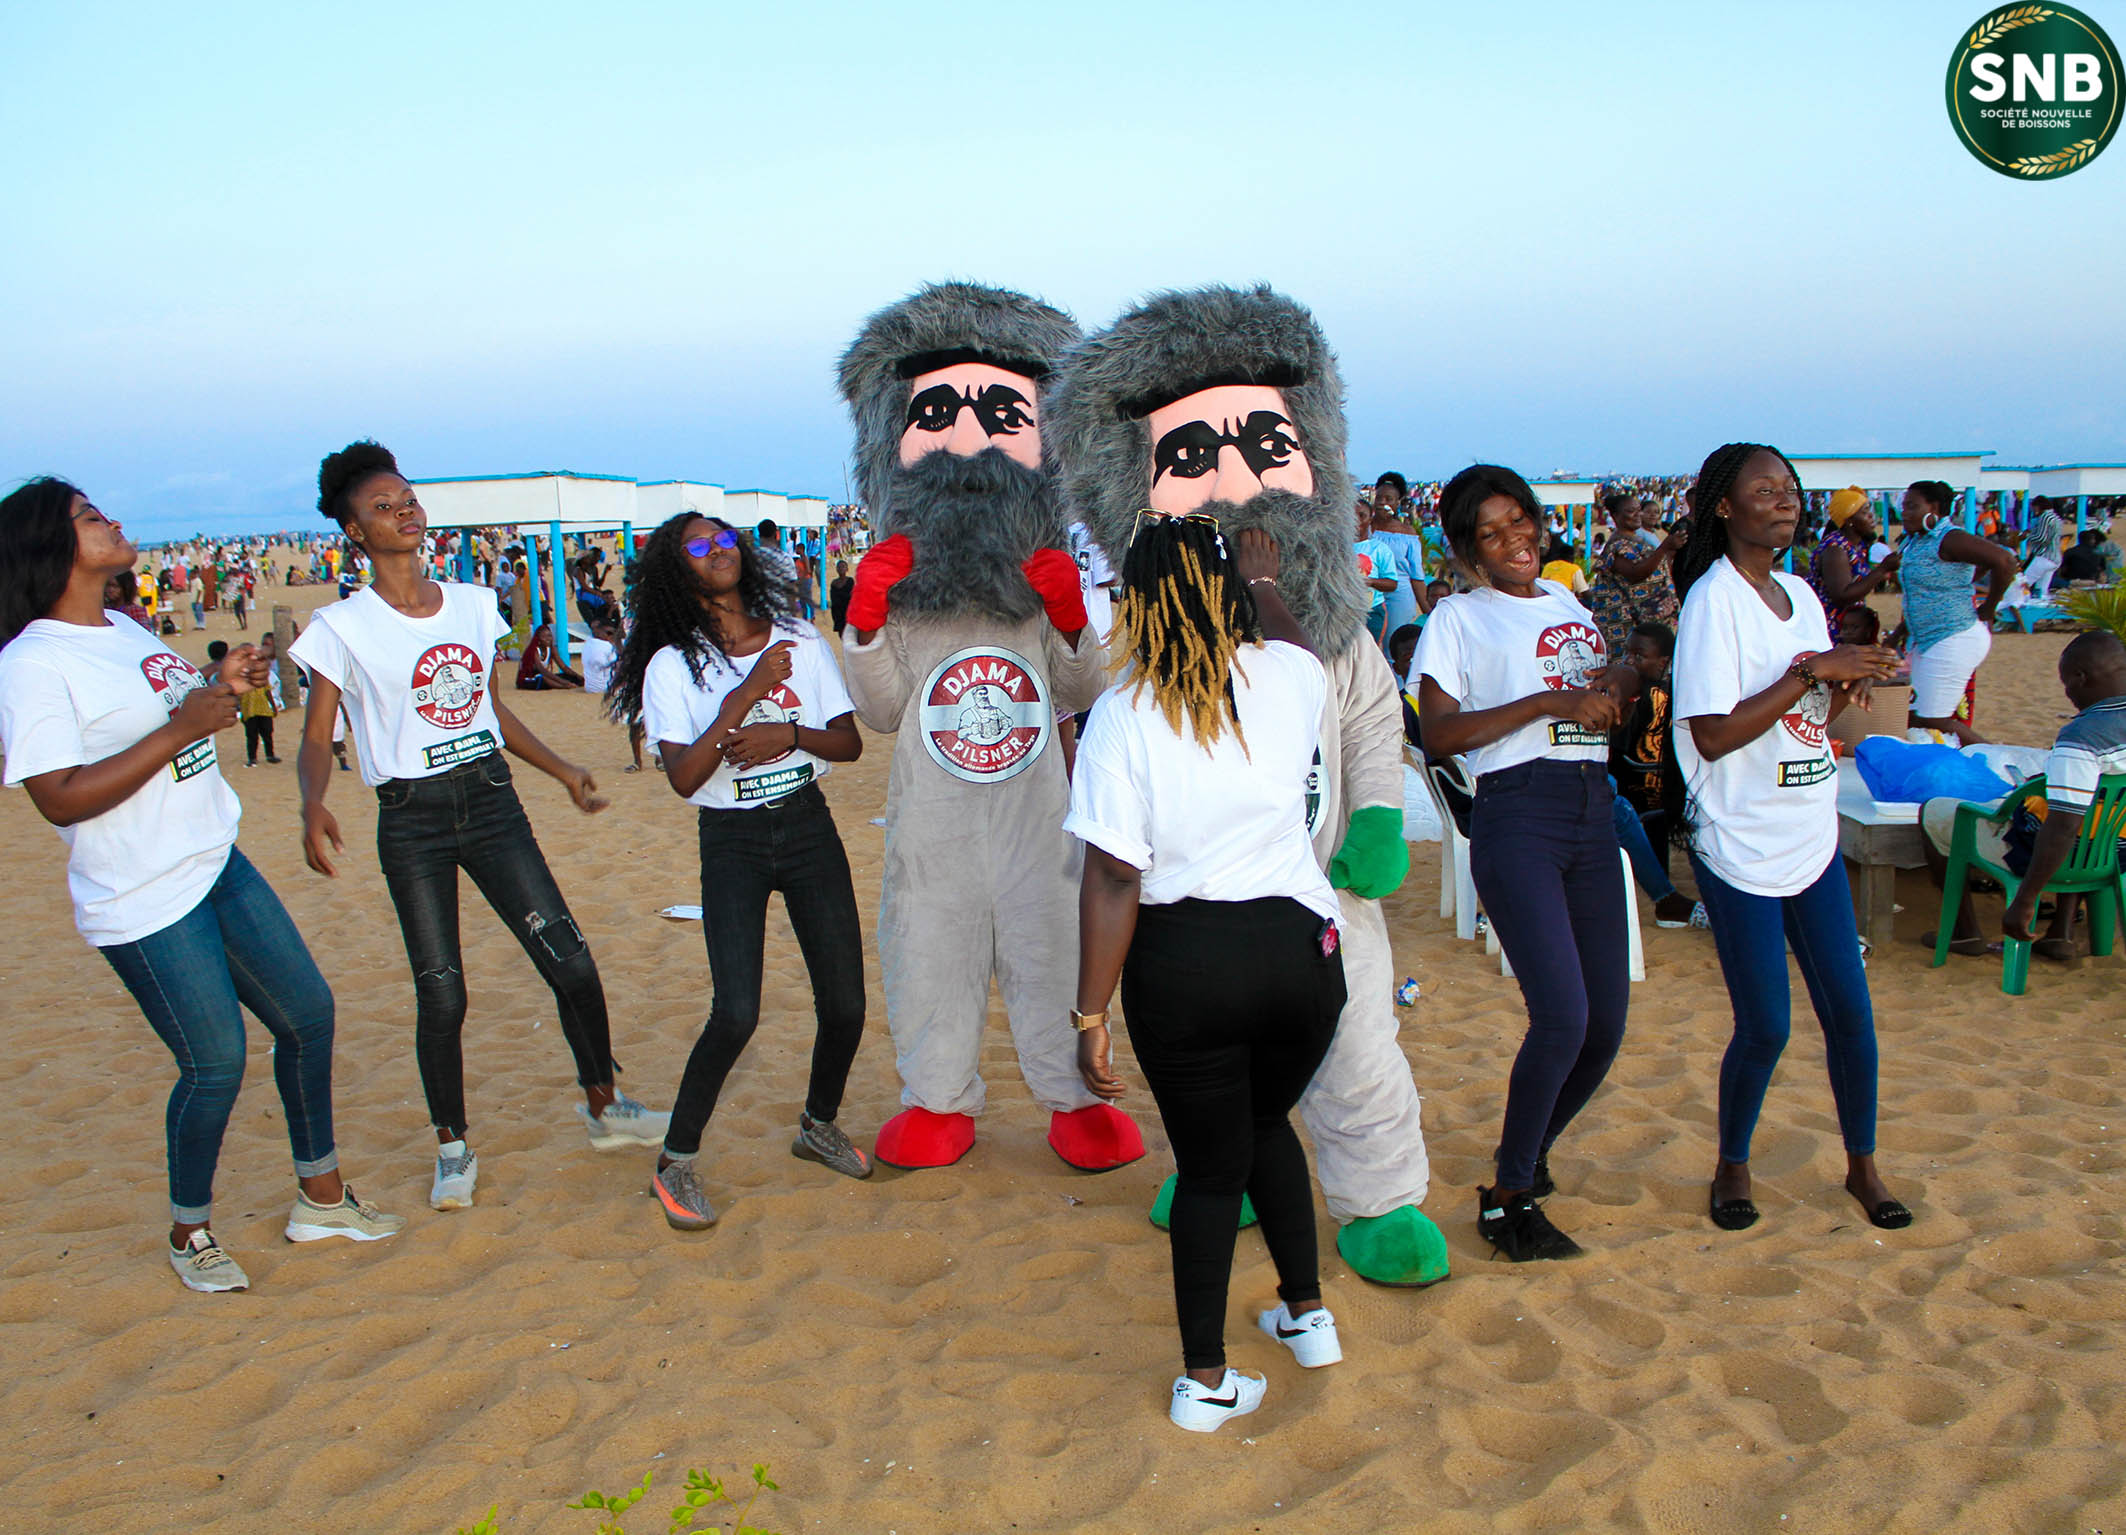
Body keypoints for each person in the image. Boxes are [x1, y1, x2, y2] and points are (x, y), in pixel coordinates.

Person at [0, 478, 400, 1293]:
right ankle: (191, 1230)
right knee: (215, 1062)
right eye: (89, 516)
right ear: (52, 547)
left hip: (214, 857)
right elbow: (59, 797)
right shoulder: (34, 662)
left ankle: (322, 1196)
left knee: (308, 1015)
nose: (112, 518)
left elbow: (164, 717)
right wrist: (185, 725)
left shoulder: (121, 625)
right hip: (141, 892)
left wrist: (220, 685)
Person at [292, 440, 668, 1212]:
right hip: (412, 819)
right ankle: (452, 1146)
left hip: (492, 800)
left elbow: (491, 711)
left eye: (407, 499)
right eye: (382, 507)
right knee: (443, 992)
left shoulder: (469, 604)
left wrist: (562, 769)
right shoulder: (340, 627)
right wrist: (312, 800)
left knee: (570, 960)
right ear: (354, 531)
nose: (404, 512)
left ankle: (605, 1104)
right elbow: (316, 734)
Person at [835, 280, 1141, 1173]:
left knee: (1052, 946)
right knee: (929, 948)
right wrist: (865, 622)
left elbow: (1084, 688)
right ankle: (937, 1098)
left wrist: (1071, 618)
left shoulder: (1042, 583)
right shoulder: (905, 594)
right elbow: (882, 711)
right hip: (931, 821)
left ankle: (1075, 1101)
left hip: (1038, 814)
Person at [1068, 517, 1346, 1433]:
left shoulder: (1124, 711)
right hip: (1301, 952)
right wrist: (1263, 583)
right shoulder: (1288, 674)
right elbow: (1300, 649)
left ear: (1135, 604)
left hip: (1187, 963)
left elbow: (1116, 874)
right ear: (1231, 592)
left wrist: (1091, 1014)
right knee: (1265, 1123)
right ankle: (1308, 1316)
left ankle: (1206, 1379)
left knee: (1211, 1169)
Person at [1667, 441, 1909, 1233]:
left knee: (1851, 1012)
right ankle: (1733, 1162)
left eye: (1791, 488)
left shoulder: (1801, 593)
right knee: (1767, 1022)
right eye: (1765, 488)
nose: (1785, 499)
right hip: (1739, 838)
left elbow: (1803, 720)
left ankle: (1863, 1165)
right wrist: (1812, 672)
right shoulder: (1714, 601)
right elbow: (1712, 735)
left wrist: (1845, 684)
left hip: (1809, 830)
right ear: (1723, 506)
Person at [606, 514, 872, 1230]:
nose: (716, 548)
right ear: (676, 570)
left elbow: (848, 744)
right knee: (736, 1012)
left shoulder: (800, 639)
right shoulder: (672, 666)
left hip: (808, 825)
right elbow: (685, 777)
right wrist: (749, 692)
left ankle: (817, 1123)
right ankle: (675, 1161)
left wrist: (788, 733)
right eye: (697, 545)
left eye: (723, 537)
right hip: (732, 840)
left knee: (846, 1004)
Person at [1415, 463, 1630, 1262]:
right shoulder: (1458, 618)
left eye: (1519, 520)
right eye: (1491, 532)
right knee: (1563, 1016)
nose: (1514, 539)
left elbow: (1598, 685)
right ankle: (1508, 1196)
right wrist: (1547, 702)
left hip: (1592, 809)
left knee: (1605, 1025)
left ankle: (1529, 1153)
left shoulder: (1569, 602)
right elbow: (1437, 735)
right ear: (1468, 550)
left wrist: (1615, 684)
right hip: (1519, 815)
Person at [1921, 631, 2126, 961]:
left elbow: (2062, 827)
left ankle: (1965, 932)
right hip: (2117, 855)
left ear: (2080, 678)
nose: (2069, 695)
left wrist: (2026, 899)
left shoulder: (2082, 736)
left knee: (1935, 811)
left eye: (2066, 685)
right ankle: (2061, 932)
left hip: (2065, 855)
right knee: (2085, 807)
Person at [1889, 480, 2018, 743]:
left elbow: (2004, 561)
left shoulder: (1949, 538)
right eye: (1903, 507)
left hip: (1954, 637)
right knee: (1914, 716)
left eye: (1912, 506)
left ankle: (1998, 757)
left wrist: (1989, 607)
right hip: (1928, 640)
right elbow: (1919, 596)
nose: (1904, 513)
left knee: (1934, 719)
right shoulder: (1915, 541)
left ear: (1934, 508)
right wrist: (1898, 634)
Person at [1605, 622, 1696, 926]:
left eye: (1639, 656)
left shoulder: (1638, 694)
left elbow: (1616, 745)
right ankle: (1663, 888)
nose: (1629, 660)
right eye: (1626, 653)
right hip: (1665, 787)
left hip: (1633, 783)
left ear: (1663, 662)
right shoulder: (1678, 691)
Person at [1586, 492, 1682, 656]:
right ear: (1615, 516)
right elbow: (1635, 573)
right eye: (1631, 511)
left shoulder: (1637, 540)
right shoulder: (1617, 545)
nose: (1638, 515)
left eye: (1639, 510)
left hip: (1648, 619)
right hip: (1627, 623)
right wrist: (1664, 547)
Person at [1807, 487, 1901, 646]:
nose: (1872, 516)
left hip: (1849, 626)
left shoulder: (1856, 546)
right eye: (1865, 512)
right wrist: (1882, 570)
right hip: (1834, 629)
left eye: (1870, 510)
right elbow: (1842, 595)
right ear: (1849, 520)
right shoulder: (1836, 549)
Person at [1353, 500, 1400, 644]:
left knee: (1369, 651)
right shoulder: (1337, 547)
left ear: (1370, 519)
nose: (1356, 520)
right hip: (1344, 610)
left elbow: (1392, 584)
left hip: (1372, 611)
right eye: (1352, 515)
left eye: (1362, 516)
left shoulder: (1380, 549)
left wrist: (1371, 582)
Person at [238, 632, 281, 765]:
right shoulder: (240, 675)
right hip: (249, 709)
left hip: (262, 708)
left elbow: (267, 690)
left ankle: (270, 755)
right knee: (252, 736)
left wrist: (273, 706)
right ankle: (253, 758)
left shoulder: (260, 672)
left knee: (267, 733)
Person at [515, 621, 584, 690]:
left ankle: (567, 684)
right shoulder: (534, 651)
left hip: (543, 675)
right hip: (529, 679)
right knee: (544, 679)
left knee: (570, 677)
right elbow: (542, 670)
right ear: (538, 639)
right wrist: (564, 682)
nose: (548, 639)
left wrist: (577, 676)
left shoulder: (552, 649)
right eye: (544, 637)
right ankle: (564, 686)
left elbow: (563, 667)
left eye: (549, 636)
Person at [2022, 496, 2066, 601]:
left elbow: (2042, 538)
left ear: (2038, 506)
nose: (2033, 510)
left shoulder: (2045, 517)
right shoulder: (2055, 517)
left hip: (2044, 556)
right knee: (2041, 591)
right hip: (2055, 558)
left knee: (2023, 584)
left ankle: (2017, 604)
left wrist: (2026, 536)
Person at [578, 616, 619, 695]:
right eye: (609, 633)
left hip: (589, 688)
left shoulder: (588, 642)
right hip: (606, 688)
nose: (610, 636)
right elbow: (619, 666)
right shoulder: (607, 646)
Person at [828, 558, 855, 637]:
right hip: (838, 612)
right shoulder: (834, 583)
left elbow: (852, 596)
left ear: (847, 569)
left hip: (848, 611)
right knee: (842, 634)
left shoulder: (850, 581)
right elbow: (833, 599)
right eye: (839, 567)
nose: (841, 568)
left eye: (843, 566)